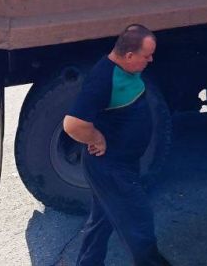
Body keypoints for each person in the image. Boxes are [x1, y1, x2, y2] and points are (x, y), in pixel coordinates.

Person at [63, 24, 172, 266]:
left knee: (102, 220)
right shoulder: (103, 79)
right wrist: (96, 138)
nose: (151, 60)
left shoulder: (128, 69)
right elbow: (72, 124)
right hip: (111, 168)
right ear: (129, 55)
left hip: (121, 164)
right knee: (139, 223)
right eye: (147, 56)